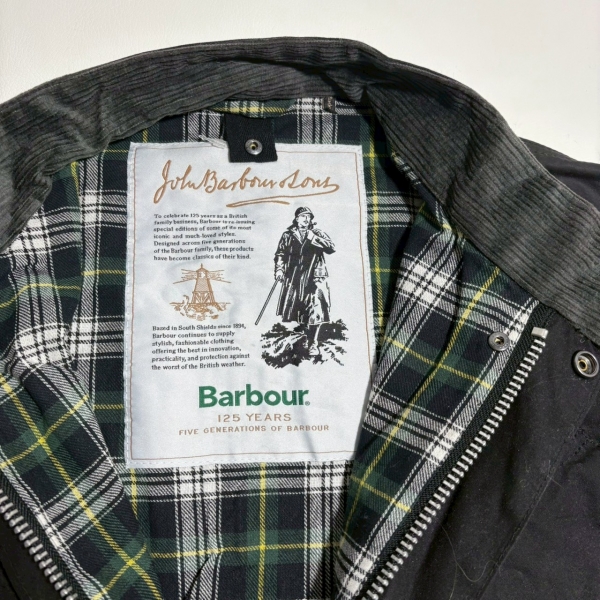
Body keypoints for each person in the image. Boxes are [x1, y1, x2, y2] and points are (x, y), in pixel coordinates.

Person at [273, 206, 335, 356]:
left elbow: (331, 248)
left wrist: (313, 238)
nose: (306, 219)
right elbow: (280, 253)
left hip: (315, 277)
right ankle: (307, 337)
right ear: (296, 219)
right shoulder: (288, 235)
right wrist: (279, 270)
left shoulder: (317, 233)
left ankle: (313, 343)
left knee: (316, 309)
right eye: (303, 216)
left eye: (309, 217)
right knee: (300, 310)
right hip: (296, 277)